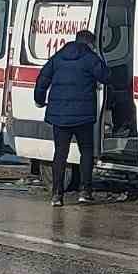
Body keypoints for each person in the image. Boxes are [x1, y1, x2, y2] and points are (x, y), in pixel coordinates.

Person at [34, 30, 110, 206]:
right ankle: (85, 191)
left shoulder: (58, 57)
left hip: (59, 115)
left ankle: (56, 196)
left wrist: (39, 100)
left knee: (60, 154)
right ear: (90, 44)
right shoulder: (90, 58)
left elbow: (42, 79)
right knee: (86, 152)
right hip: (83, 116)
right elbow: (106, 77)